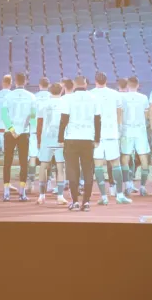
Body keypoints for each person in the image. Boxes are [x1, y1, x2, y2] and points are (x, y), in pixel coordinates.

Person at [58, 75, 101, 212]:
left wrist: (60, 138)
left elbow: (64, 120)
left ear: (74, 85)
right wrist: (97, 139)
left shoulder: (68, 98)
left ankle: (75, 201)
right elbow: (97, 120)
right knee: (88, 169)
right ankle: (86, 202)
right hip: (88, 138)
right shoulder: (94, 98)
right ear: (86, 84)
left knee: (72, 170)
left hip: (72, 138)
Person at [89, 72, 131, 205]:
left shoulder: (90, 94)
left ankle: (104, 196)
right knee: (115, 164)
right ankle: (119, 195)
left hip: (96, 135)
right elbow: (119, 113)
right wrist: (119, 129)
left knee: (98, 165)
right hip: (111, 133)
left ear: (95, 80)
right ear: (106, 80)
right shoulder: (115, 94)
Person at [1, 73, 37, 202]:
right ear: (25, 81)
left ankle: (6, 192)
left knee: (7, 162)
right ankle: (22, 192)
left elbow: (4, 115)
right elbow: (33, 117)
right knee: (23, 162)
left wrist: (11, 129)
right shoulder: (31, 96)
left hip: (10, 132)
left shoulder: (8, 96)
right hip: (24, 133)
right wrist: (31, 131)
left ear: (15, 81)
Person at [36, 83, 69, 205]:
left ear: (50, 91)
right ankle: (60, 196)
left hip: (46, 138)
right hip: (61, 139)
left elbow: (39, 124)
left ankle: (41, 196)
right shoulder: (65, 103)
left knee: (43, 166)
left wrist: (38, 140)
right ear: (62, 91)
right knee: (60, 167)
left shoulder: (43, 104)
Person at [120, 76, 151, 196]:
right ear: (138, 85)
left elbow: (119, 113)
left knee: (125, 156)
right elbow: (147, 115)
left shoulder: (122, 97)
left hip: (126, 130)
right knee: (143, 157)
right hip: (140, 130)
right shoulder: (143, 97)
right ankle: (142, 187)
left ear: (127, 85)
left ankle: (128, 185)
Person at [29, 77, 52, 194]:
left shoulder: (34, 97)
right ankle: (49, 183)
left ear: (39, 85)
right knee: (48, 158)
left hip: (34, 130)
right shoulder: (52, 97)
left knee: (33, 157)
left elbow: (32, 116)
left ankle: (31, 183)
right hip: (48, 131)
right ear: (49, 85)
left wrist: (33, 127)